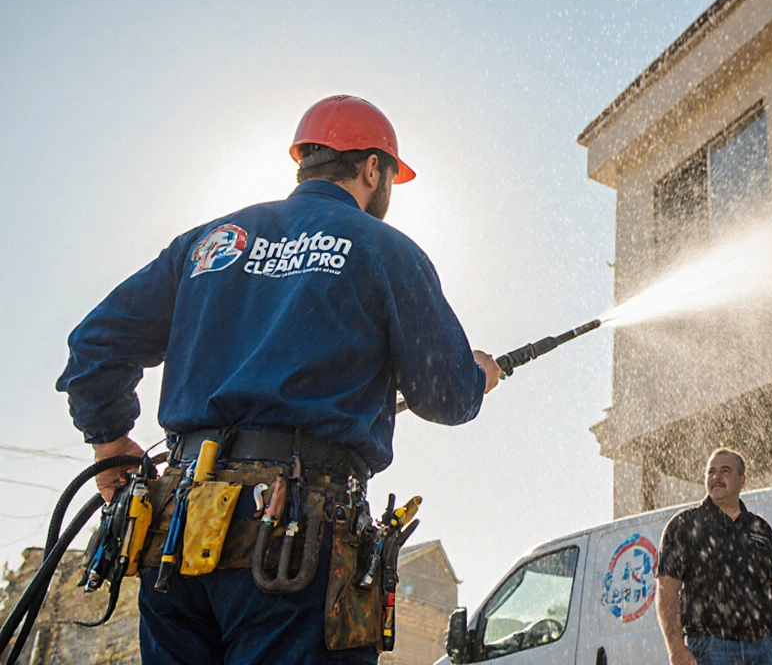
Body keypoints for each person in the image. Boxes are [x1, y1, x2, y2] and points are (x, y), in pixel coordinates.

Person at [55, 94, 503, 664]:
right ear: (372, 169)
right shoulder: (385, 250)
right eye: (390, 175)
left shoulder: (210, 244)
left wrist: (110, 443)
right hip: (294, 548)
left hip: (179, 535)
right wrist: (477, 374)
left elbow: (95, 345)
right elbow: (446, 396)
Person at [657, 448, 772, 665]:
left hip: (765, 648)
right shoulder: (684, 526)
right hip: (710, 648)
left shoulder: (760, 529)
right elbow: (666, 591)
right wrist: (676, 649)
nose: (716, 477)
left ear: (741, 480)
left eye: (725, 471)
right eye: (711, 472)